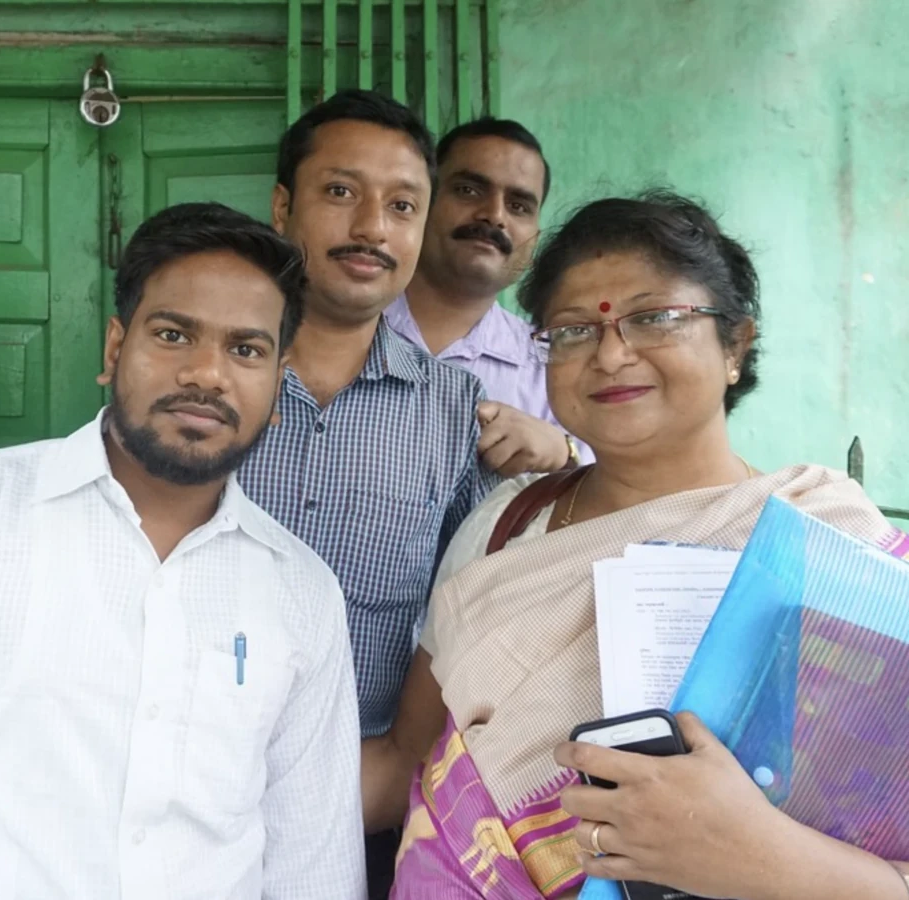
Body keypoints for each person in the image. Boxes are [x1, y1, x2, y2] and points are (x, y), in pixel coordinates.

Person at [0, 202, 366, 900]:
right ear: (113, 350)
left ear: (279, 386)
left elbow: (313, 861)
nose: (207, 374)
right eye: (173, 334)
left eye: (245, 349)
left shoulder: (302, 594)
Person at [365, 191, 909, 899]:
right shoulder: (504, 528)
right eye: (572, 331)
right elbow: (411, 757)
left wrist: (761, 855)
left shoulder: (833, 545)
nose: (611, 353)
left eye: (654, 318)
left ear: (735, 346)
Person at [236, 89, 498, 897]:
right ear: (284, 207)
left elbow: (464, 621)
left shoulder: (457, 417)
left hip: (366, 812)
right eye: (341, 192)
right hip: (181, 792)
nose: (372, 228)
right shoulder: (200, 389)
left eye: (402, 205)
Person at [384, 117, 589, 475]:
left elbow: (622, 484)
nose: (494, 215)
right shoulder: (345, 326)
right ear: (423, 201)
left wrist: (564, 453)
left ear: (535, 237)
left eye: (519, 206)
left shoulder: (554, 365)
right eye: (468, 190)